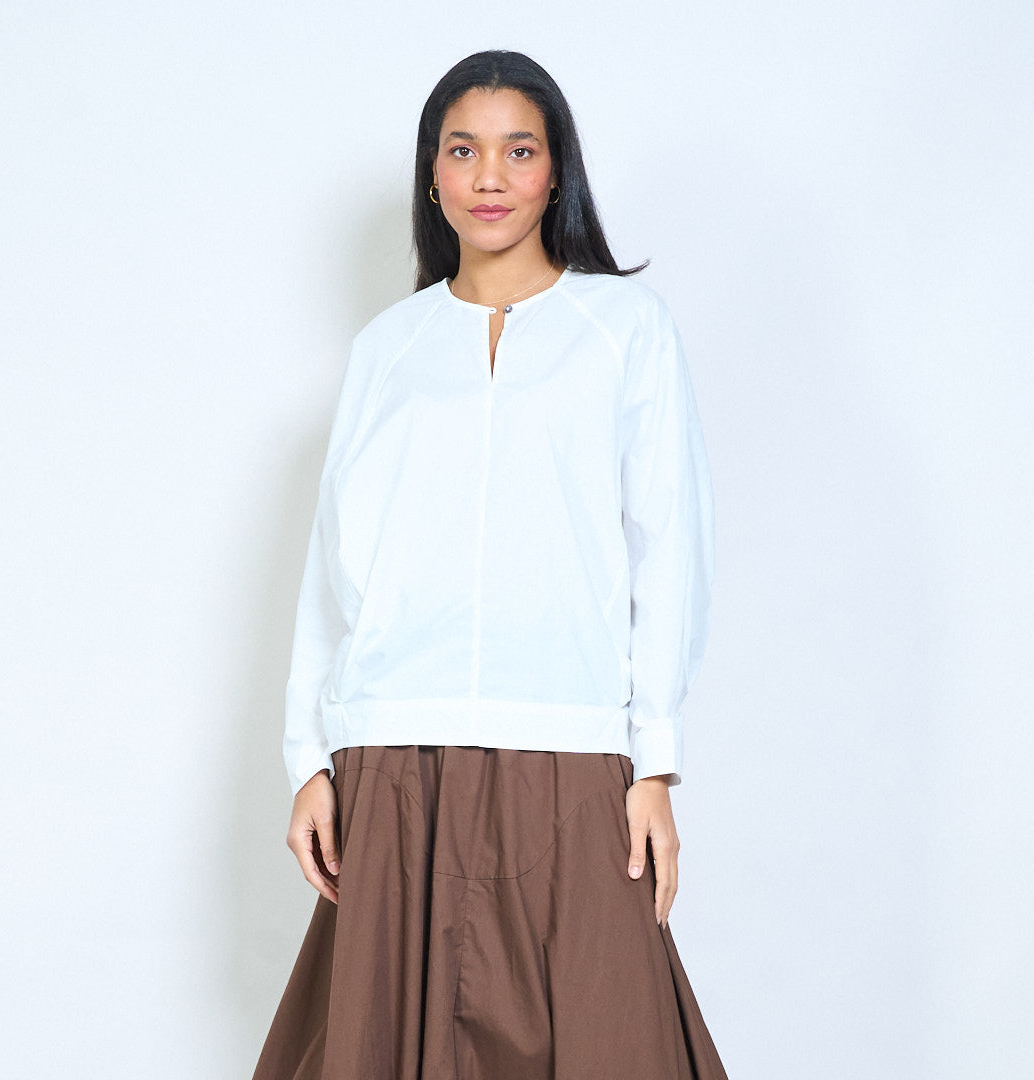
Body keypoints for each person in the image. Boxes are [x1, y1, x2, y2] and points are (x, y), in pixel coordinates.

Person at [252, 49, 727, 1080]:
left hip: (569, 745)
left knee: (614, 1041)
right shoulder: (387, 348)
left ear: (557, 173)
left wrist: (653, 761)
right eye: (463, 151)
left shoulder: (626, 331)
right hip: (396, 755)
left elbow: (669, 549)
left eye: (519, 151)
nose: (490, 177)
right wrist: (310, 761)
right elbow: (336, 568)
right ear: (433, 176)